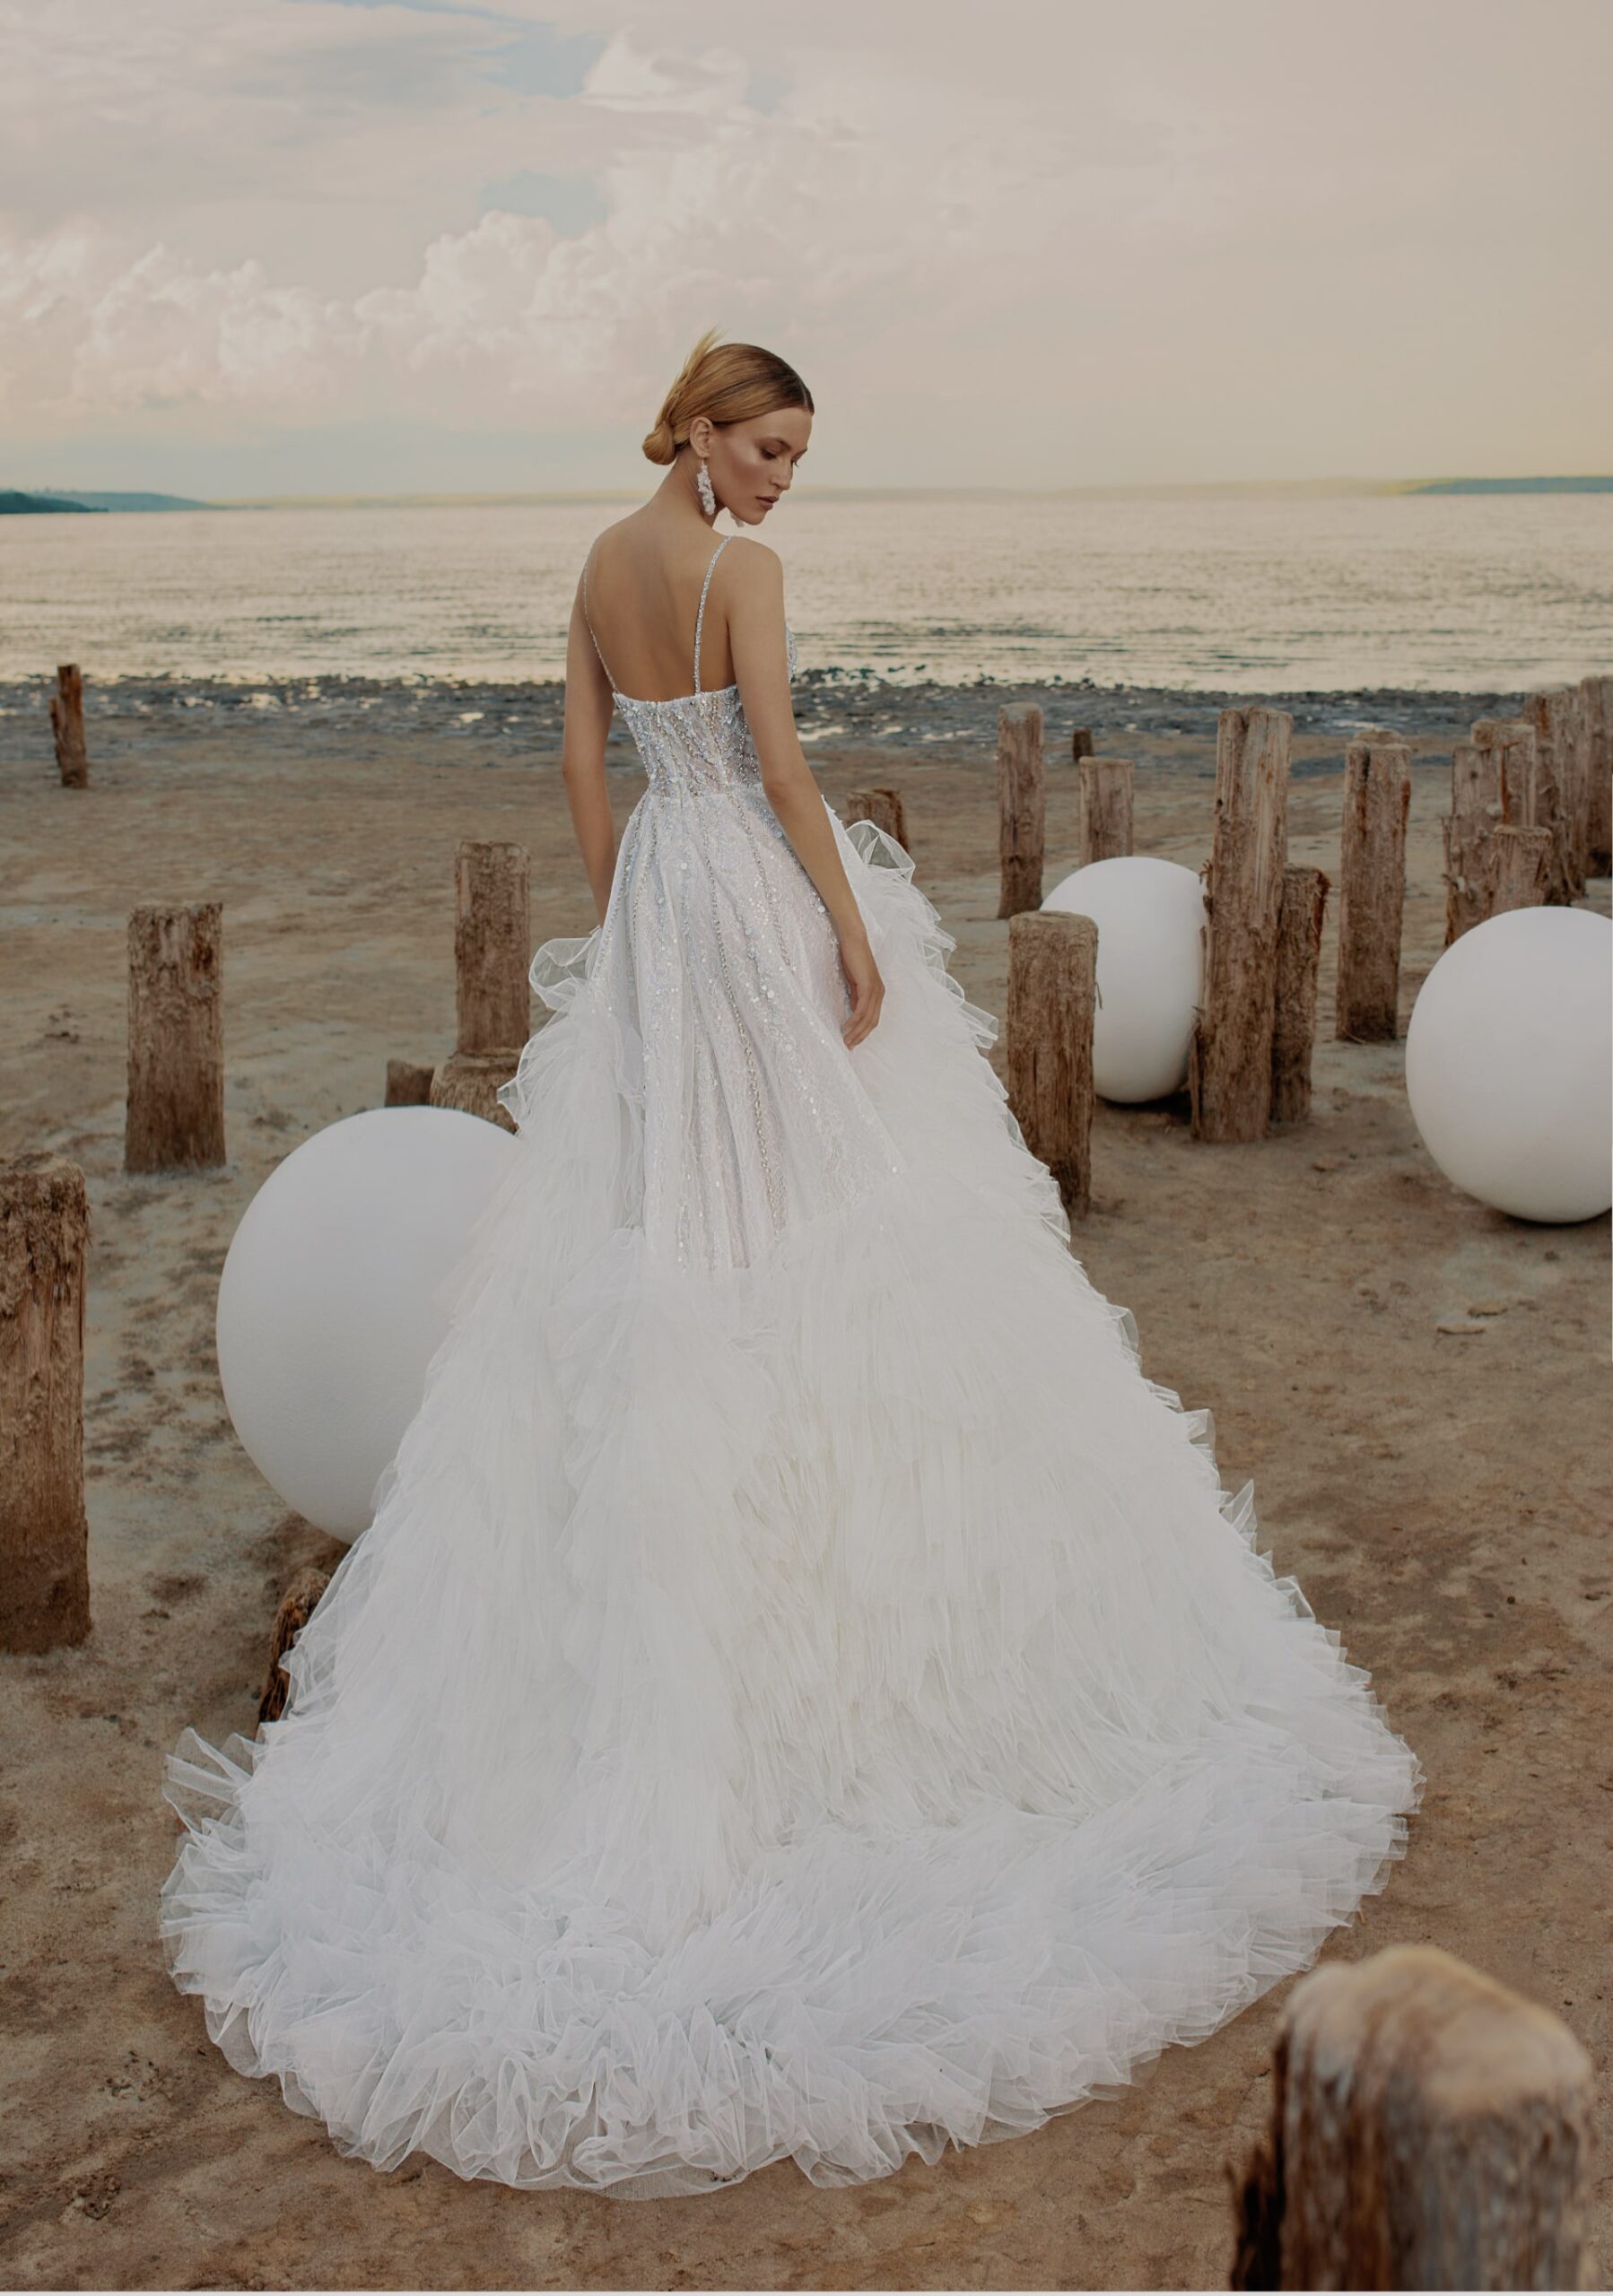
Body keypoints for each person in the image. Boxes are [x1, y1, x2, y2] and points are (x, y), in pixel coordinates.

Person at [161, 328, 1424, 2198]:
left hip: (661, 910)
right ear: (702, 430)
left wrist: (624, 908)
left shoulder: (600, 561)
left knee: (674, 1218)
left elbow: (582, 756)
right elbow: (778, 767)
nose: (777, 482)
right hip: (745, 898)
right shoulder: (734, 573)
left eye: (794, 460)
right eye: (765, 448)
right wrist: (850, 930)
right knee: (808, 1209)